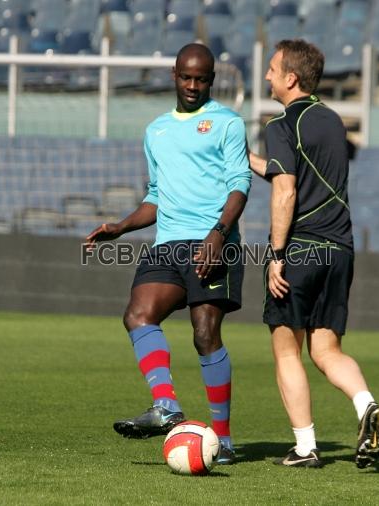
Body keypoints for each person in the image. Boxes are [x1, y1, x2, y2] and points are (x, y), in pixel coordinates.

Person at [85, 43, 251, 464]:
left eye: (202, 79)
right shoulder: (155, 130)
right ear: (174, 76)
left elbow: (239, 185)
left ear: (212, 80)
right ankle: (166, 404)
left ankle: (225, 439)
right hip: (168, 243)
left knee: (204, 334)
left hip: (213, 241)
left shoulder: (227, 123)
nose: (193, 86)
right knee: (137, 314)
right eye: (186, 77)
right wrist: (121, 227)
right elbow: (156, 195)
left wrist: (218, 233)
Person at [248, 39, 379, 468]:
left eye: (272, 69)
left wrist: (275, 254)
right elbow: (298, 173)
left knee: (287, 351)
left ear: (291, 78)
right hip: (340, 251)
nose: (267, 76)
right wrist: (248, 161)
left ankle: (306, 448)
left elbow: (286, 190)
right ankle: (366, 405)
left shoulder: (280, 125)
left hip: (301, 250)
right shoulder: (332, 120)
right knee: (326, 350)